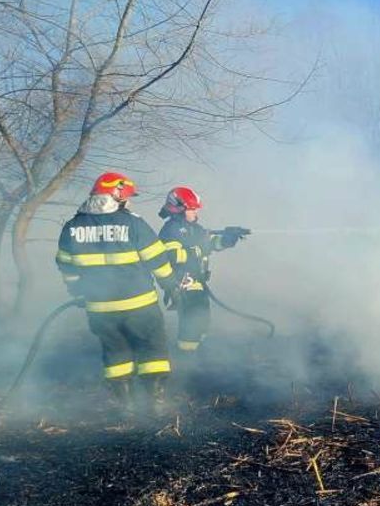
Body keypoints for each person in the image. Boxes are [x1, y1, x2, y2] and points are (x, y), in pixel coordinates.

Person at [56, 172, 178, 414]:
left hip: (100, 309)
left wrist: (78, 291)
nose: (128, 202)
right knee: (152, 350)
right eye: (126, 197)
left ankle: (126, 406)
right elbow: (158, 260)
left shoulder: (72, 227)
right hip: (140, 304)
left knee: (115, 352)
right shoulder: (133, 223)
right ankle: (156, 403)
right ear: (116, 195)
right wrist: (171, 286)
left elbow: (66, 266)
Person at [158, 186, 245, 353]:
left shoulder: (195, 228)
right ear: (179, 208)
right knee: (192, 319)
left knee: (202, 317)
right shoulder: (170, 230)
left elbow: (210, 244)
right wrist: (198, 250)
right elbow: (172, 256)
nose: (195, 212)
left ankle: (197, 349)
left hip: (197, 281)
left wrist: (227, 240)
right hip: (182, 282)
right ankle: (186, 353)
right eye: (192, 209)